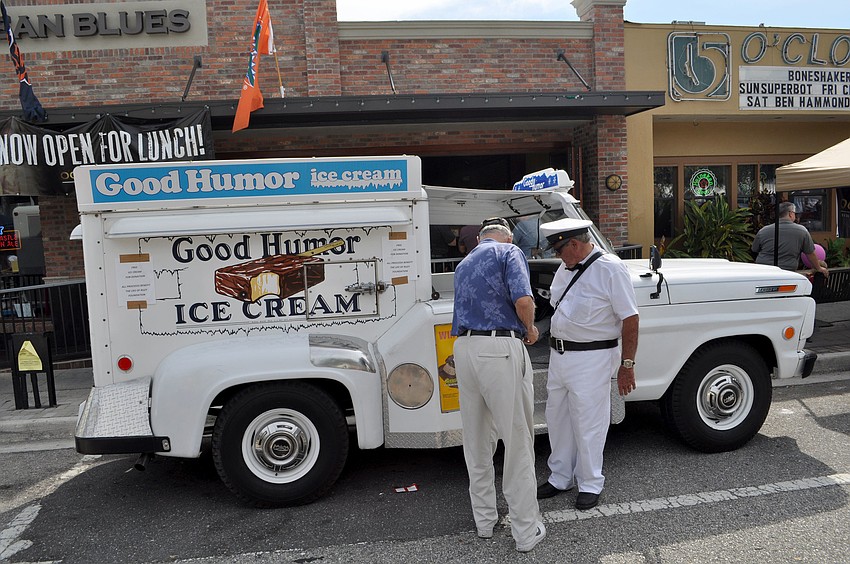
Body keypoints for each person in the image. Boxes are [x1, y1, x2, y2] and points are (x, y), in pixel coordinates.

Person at [451, 220, 546, 553]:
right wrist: (531, 329)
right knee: (517, 438)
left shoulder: (463, 264)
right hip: (499, 347)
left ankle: (485, 522)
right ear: (507, 235)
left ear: (479, 238)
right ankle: (525, 531)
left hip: (463, 348)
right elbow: (522, 300)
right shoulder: (509, 251)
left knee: (476, 439)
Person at [535, 218, 639, 511]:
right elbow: (558, 308)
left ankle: (590, 482)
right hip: (560, 356)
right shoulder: (565, 268)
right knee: (558, 419)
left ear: (575, 244)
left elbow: (630, 319)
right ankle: (559, 477)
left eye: (559, 250)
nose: (558, 256)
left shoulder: (610, 269)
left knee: (588, 423)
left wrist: (627, 365)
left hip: (592, 357)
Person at [752, 201, 829, 277]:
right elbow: (810, 253)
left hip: (763, 271)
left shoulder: (763, 230)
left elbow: (754, 249)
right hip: (787, 272)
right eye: (794, 213)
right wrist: (818, 268)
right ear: (790, 214)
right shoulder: (802, 231)